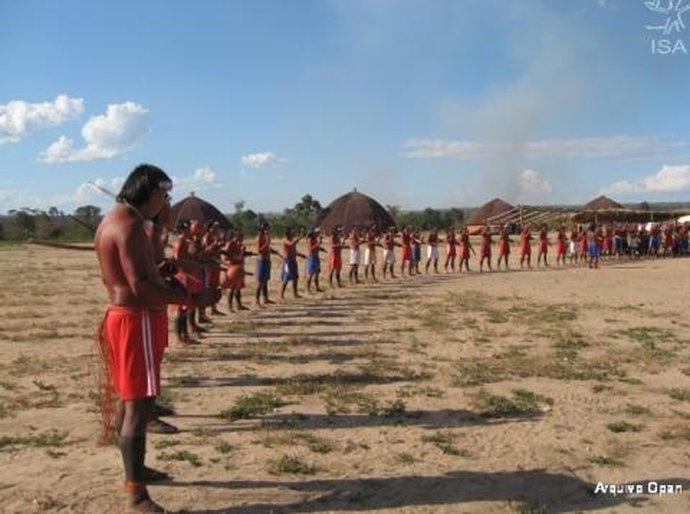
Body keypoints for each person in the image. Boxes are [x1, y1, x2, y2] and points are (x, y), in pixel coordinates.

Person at [94, 164, 218, 513]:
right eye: (164, 196)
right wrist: (192, 299)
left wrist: (170, 269)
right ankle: (137, 495)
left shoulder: (114, 220)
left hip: (126, 318)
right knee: (138, 405)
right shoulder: (131, 226)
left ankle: (137, 472)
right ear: (151, 193)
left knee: (131, 399)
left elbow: (141, 274)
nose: (166, 203)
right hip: (136, 320)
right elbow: (141, 287)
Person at [280, 227, 304, 300]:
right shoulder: (284, 240)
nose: (293, 233)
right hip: (287, 261)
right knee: (286, 278)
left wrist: (300, 255)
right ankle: (282, 294)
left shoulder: (291, 240)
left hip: (293, 260)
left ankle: (295, 293)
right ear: (288, 233)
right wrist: (300, 237)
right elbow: (291, 244)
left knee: (295, 278)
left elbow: (293, 250)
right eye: (292, 232)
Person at [254, 221, 274, 307]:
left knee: (265, 281)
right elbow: (259, 250)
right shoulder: (260, 238)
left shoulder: (266, 237)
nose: (269, 229)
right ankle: (257, 300)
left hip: (266, 260)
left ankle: (265, 298)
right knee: (260, 282)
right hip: (261, 261)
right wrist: (266, 243)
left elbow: (267, 249)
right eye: (268, 228)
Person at [305, 228, 324, 293]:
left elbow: (316, 247)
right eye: (317, 233)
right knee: (311, 274)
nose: (318, 234)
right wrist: (318, 244)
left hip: (316, 257)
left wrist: (321, 248)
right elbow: (311, 249)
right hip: (312, 257)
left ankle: (317, 287)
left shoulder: (315, 239)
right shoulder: (310, 240)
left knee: (317, 273)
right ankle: (308, 289)